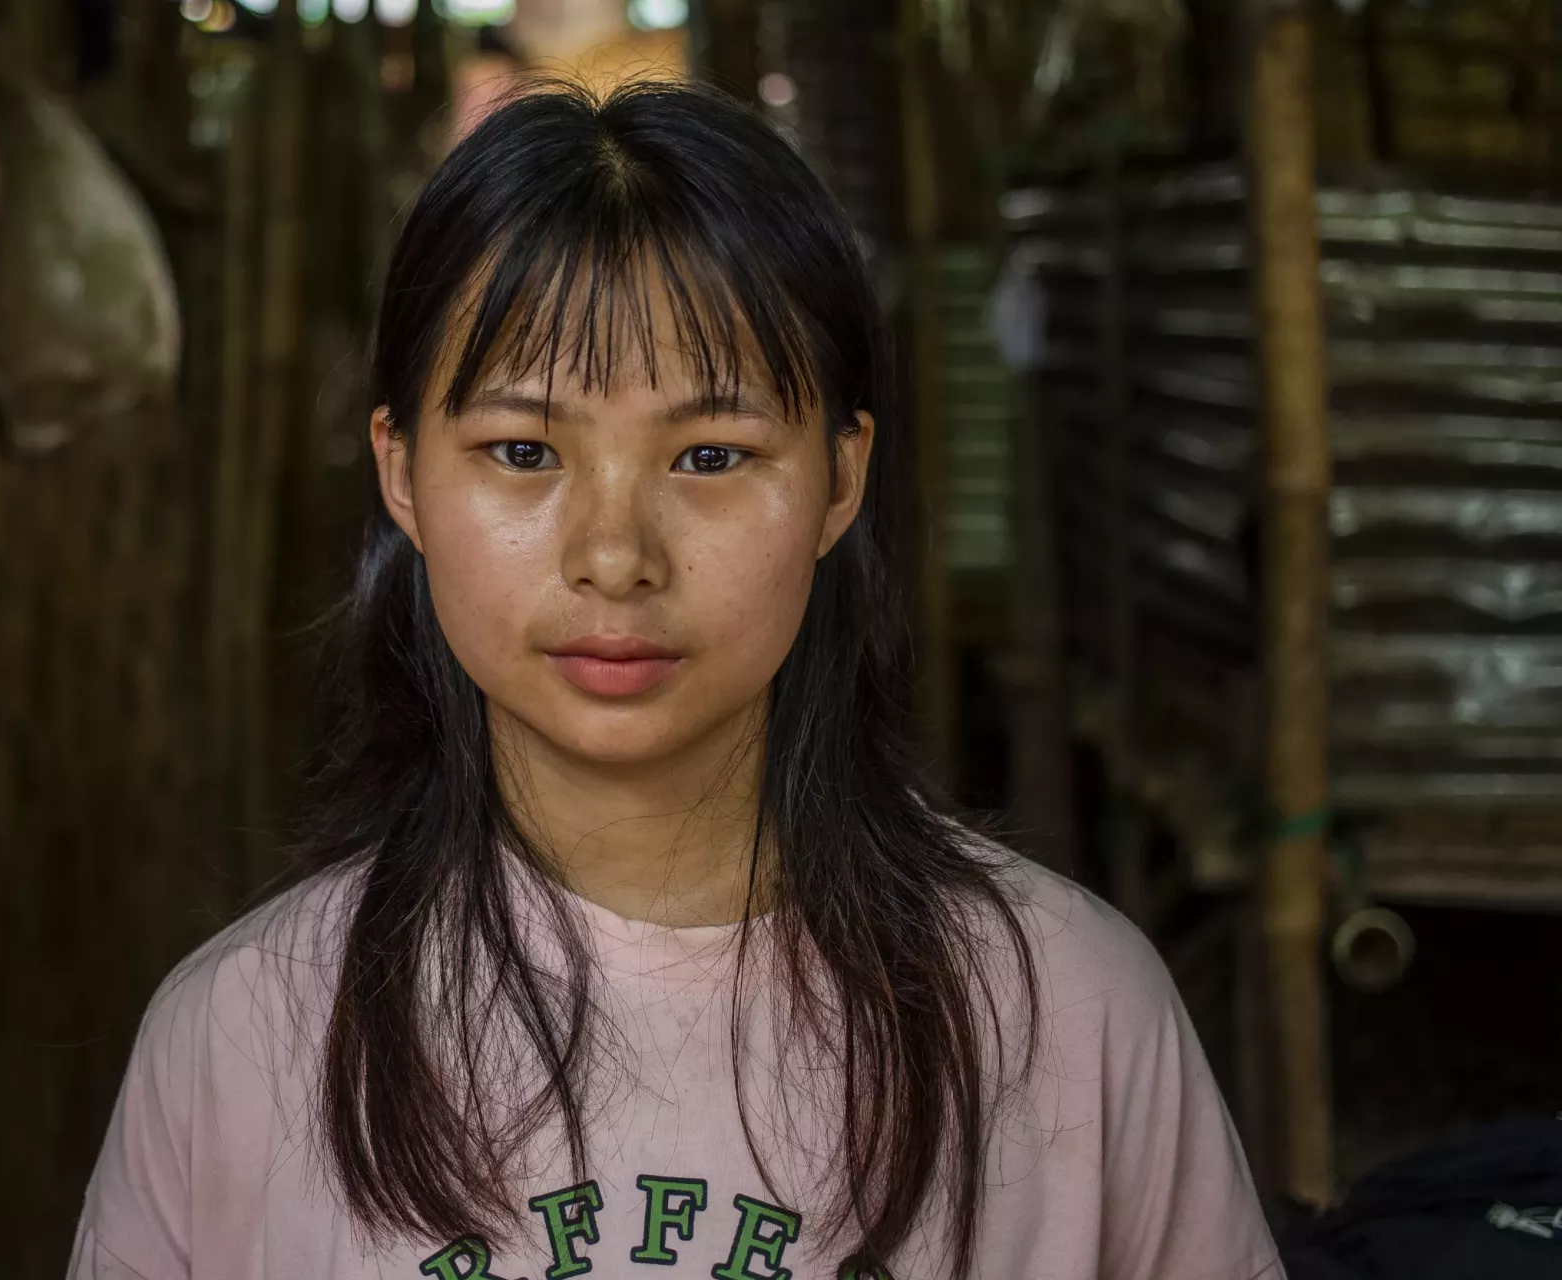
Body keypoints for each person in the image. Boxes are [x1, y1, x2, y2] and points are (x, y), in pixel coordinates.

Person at [70, 80, 1282, 1280]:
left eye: (711, 454)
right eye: (522, 450)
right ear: (401, 474)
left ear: (839, 481)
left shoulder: (1069, 1014)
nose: (615, 555)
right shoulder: (241, 1039)